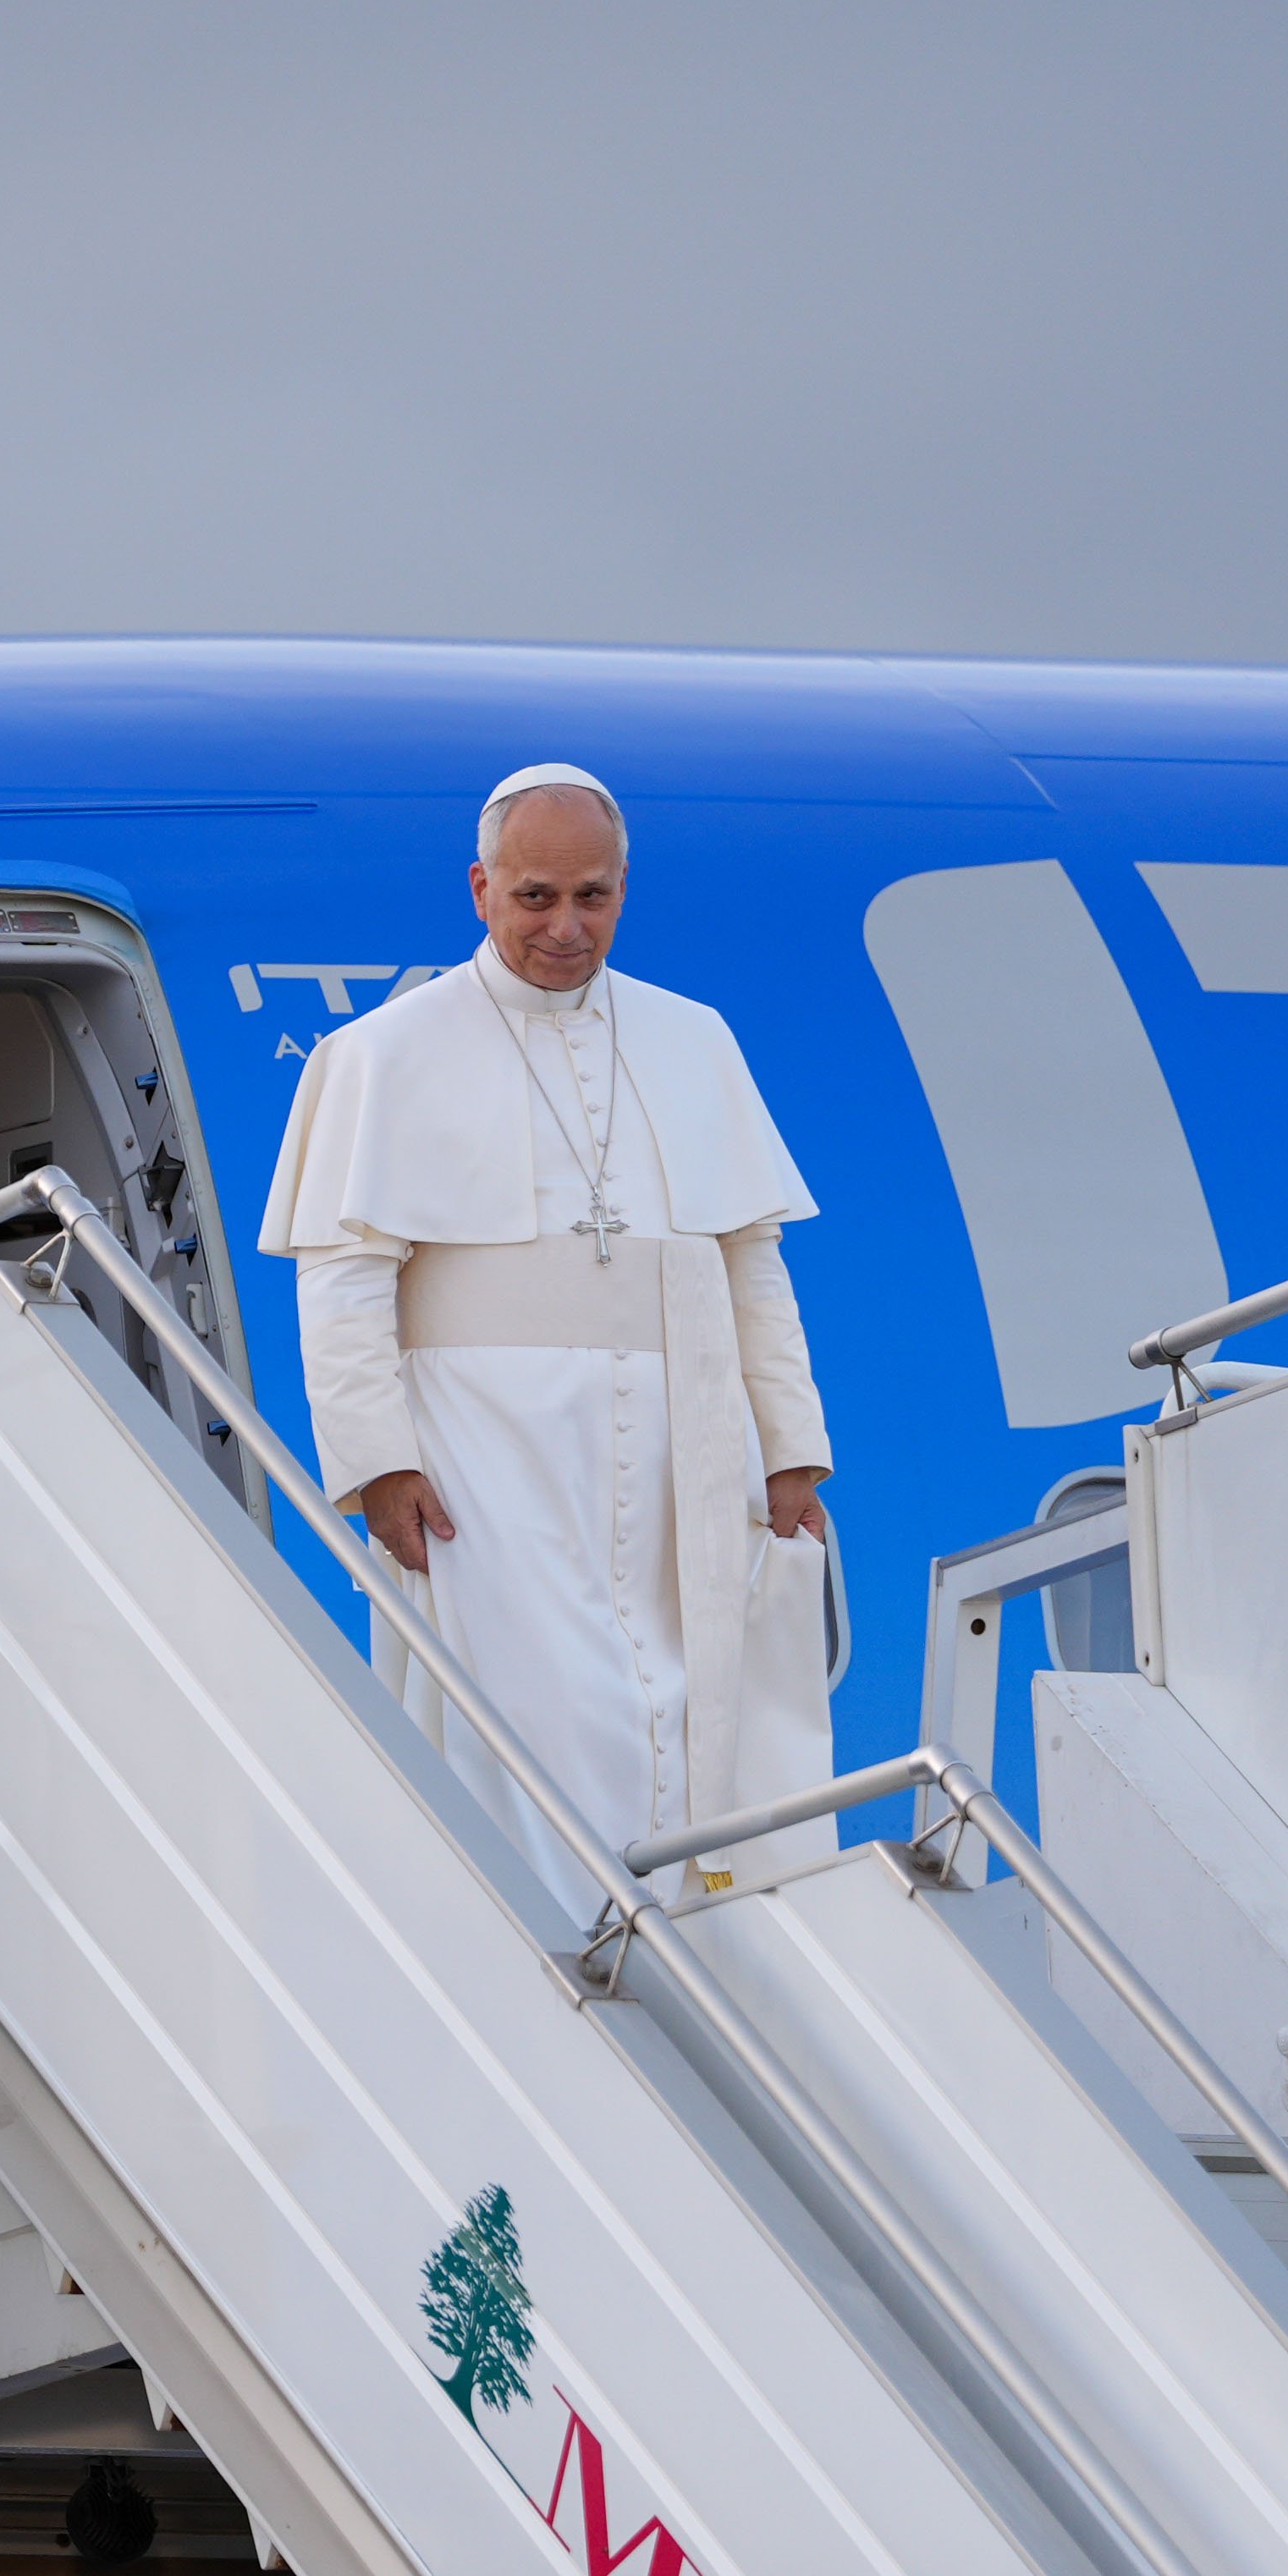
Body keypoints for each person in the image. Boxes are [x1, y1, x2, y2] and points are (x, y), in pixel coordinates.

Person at [255, 762, 838, 1907]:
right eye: (536, 899)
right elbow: (345, 1280)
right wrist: (379, 1463)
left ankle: (691, 1946)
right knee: (546, 1716)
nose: (566, 929)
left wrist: (790, 1449)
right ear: (481, 889)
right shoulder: (387, 1051)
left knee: (685, 1706)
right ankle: (569, 1955)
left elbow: (752, 1265)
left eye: (593, 897)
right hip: (488, 1449)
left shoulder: (694, 1039)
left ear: (624, 891)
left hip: (683, 1440)